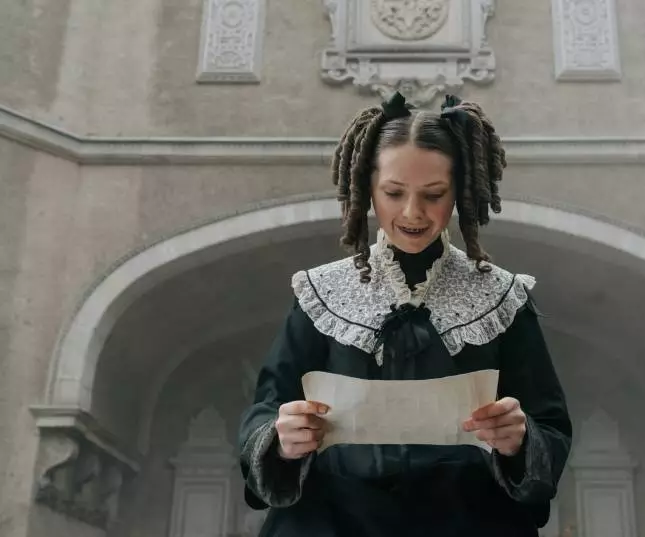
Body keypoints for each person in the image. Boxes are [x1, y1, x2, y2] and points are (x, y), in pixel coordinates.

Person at [238, 92, 572, 537]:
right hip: (330, 522)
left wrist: (520, 439)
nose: (413, 212)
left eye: (434, 195)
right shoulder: (320, 293)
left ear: (459, 193)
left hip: (471, 522)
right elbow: (265, 409)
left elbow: (550, 426)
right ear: (368, 189)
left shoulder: (502, 296)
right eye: (394, 193)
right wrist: (282, 439)